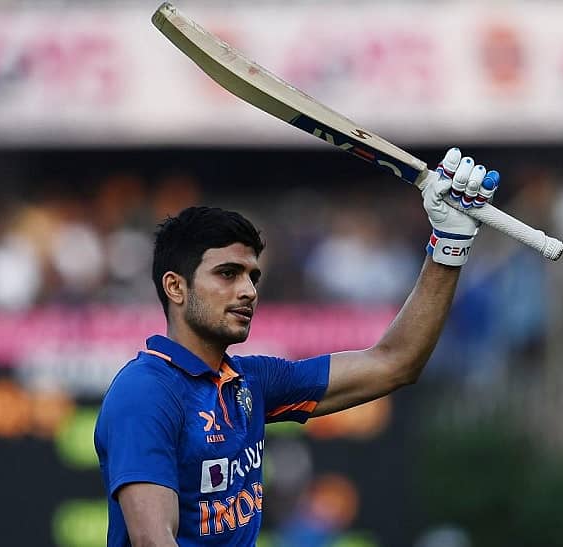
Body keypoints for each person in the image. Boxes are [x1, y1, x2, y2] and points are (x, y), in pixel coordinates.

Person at [93, 147, 500, 546]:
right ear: (175, 287)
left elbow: (395, 363)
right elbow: (152, 540)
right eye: (228, 273)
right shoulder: (145, 391)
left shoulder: (251, 381)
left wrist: (449, 246)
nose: (248, 291)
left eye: (252, 276)